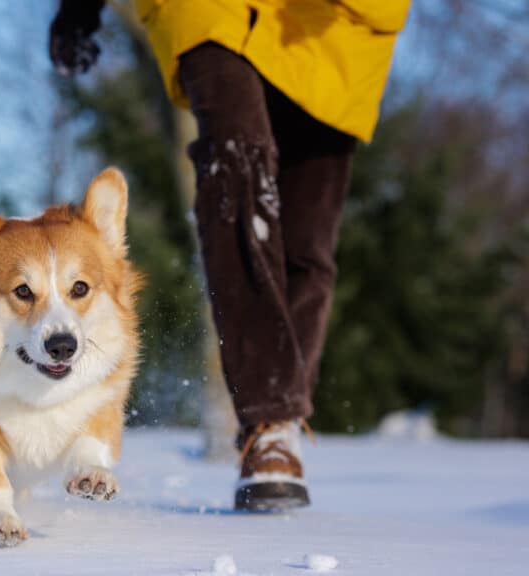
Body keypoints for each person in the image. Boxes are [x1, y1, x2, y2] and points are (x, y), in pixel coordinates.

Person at [48, 0, 411, 510]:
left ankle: (281, 419)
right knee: (235, 177)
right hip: (214, 11)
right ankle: (270, 422)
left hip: (337, 27)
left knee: (306, 239)